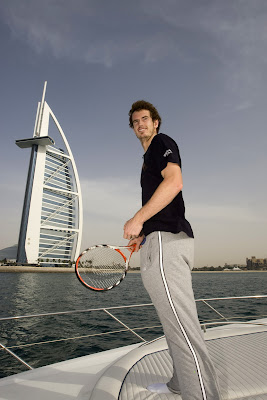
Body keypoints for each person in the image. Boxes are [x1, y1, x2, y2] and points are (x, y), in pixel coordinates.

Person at [123, 100, 221, 400]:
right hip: (159, 239)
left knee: (183, 327)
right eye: (135, 121)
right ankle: (180, 384)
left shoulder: (161, 144)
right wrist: (144, 232)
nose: (140, 124)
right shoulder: (147, 158)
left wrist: (138, 218)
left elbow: (175, 182)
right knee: (173, 321)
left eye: (145, 119)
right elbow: (161, 199)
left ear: (156, 122)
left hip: (167, 243)